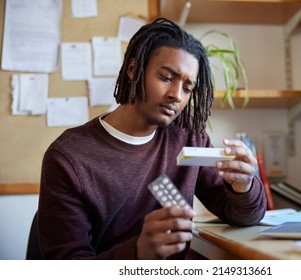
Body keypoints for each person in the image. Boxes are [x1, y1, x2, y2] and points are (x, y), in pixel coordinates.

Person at [37, 18, 267, 260]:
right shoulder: (69, 157)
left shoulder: (188, 136)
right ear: (134, 70)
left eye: (188, 88)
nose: (176, 96)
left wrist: (244, 187)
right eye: (167, 77)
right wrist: (137, 253)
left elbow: (243, 216)